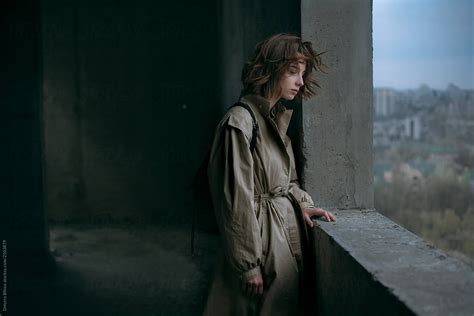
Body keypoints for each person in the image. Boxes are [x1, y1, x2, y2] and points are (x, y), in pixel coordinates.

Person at [203, 33, 337, 316]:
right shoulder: (239, 122)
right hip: (261, 244)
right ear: (271, 70)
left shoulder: (274, 119)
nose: (300, 82)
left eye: (302, 73)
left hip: (282, 237)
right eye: (292, 72)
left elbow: (287, 180)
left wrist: (303, 204)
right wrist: (248, 264)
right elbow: (235, 200)